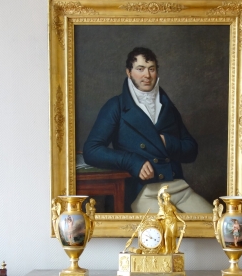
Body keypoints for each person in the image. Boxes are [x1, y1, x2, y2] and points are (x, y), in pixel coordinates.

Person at [83, 47, 213, 213]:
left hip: (179, 188)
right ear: (129, 72)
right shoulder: (116, 106)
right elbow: (91, 150)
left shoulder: (167, 107)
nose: (147, 75)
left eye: (151, 69)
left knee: (213, 224)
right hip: (143, 192)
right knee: (175, 230)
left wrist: (168, 143)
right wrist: (132, 161)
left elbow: (192, 150)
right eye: (140, 69)